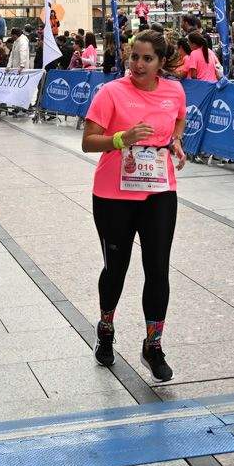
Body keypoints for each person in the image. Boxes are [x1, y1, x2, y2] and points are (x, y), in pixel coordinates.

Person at [81, 29, 187, 382]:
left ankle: (153, 344)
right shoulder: (111, 92)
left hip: (159, 191)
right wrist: (120, 139)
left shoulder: (174, 90)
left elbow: (177, 119)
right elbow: (87, 141)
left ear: (160, 62)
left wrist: (174, 142)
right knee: (117, 269)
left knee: (158, 268)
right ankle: (106, 327)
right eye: (134, 57)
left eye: (147, 59)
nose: (138, 64)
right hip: (113, 194)